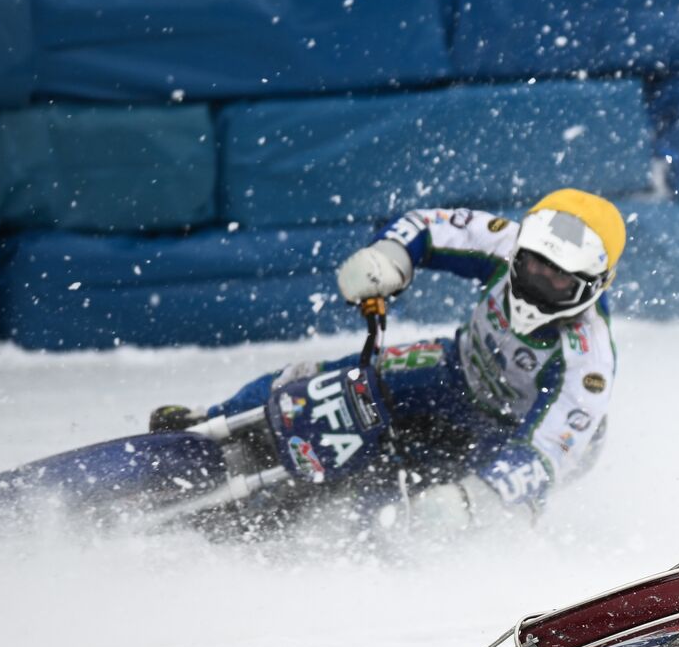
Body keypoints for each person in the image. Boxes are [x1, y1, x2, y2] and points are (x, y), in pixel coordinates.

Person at [150, 189, 626, 530]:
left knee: (414, 509)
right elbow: (428, 225)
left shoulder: (589, 361)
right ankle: (216, 420)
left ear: (593, 286)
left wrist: (474, 497)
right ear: (521, 248)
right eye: (532, 266)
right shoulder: (508, 241)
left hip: (512, 435)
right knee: (326, 376)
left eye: (558, 280)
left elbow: (546, 456)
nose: (537, 283)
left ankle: (328, 532)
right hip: (457, 369)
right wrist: (389, 257)